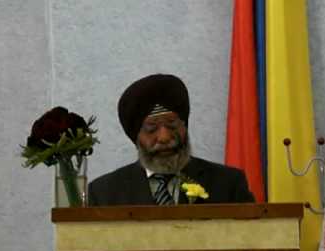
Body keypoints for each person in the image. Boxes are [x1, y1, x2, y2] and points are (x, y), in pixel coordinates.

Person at [88, 74, 254, 206]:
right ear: (135, 135)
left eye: (172, 125)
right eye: (151, 129)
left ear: (185, 125)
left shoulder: (229, 184)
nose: (164, 137)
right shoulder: (104, 193)